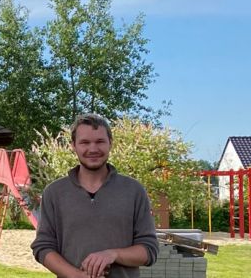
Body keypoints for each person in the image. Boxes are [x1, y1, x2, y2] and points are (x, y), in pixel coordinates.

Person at [31, 114, 159, 278]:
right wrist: (76, 275)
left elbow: (149, 250)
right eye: (85, 142)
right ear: (73, 146)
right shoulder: (54, 193)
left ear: (110, 143)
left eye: (100, 142)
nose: (93, 149)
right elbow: (43, 247)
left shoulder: (134, 190)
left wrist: (113, 254)